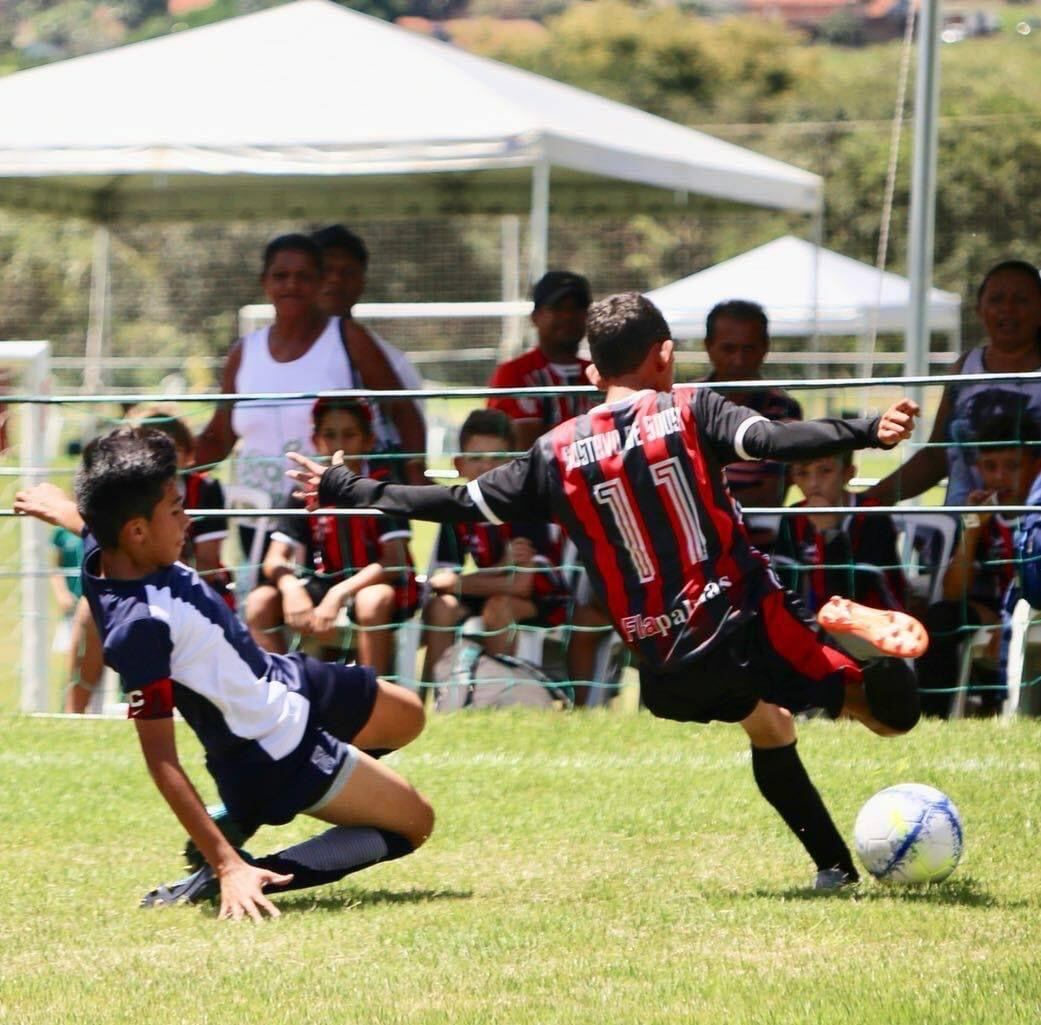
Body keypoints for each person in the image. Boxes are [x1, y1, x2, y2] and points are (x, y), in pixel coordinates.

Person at [290, 291, 928, 891]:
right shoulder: (688, 406)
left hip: (665, 663)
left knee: (768, 724)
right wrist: (866, 430)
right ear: (666, 354)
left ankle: (834, 870)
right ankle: (864, 646)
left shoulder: (556, 452)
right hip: (740, 622)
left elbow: (456, 502)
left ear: (593, 372)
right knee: (889, 717)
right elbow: (769, 441)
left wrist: (350, 490)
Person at [14, 427, 431, 921]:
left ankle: (244, 815)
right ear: (137, 531)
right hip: (274, 748)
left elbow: (87, 522)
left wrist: (57, 504)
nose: (187, 519)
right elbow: (162, 761)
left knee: (409, 716)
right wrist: (226, 862)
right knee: (416, 824)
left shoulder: (105, 549)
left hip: (283, 678)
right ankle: (246, 869)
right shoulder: (141, 628)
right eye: (175, 508)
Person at [192, 233, 427, 520]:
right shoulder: (243, 352)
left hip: (328, 520)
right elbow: (219, 438)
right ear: (264, 282)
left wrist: (416, 476)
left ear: (319, 282)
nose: (291, 284)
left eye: (303, 276)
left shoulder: (348, 339)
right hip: (254, 519)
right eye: (281, 275)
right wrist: (172, 463)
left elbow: (404, 412)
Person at [246, 398, 418, 674]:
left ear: (368, 440)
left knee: (372, 600)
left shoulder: (382, 488)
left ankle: (372, 697)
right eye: (329, 435)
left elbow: (394, 561)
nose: (339, 445)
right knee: (259, 602)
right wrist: (291, 588)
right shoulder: (304, 491)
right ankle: (281, 694)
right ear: (315, 440)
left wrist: (339, 594)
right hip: (324, 585)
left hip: (377, 589)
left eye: (349, 435)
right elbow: (274, 558)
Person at [865, 259, 1041, 507]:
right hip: (966, 532)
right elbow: (936, 457)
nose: (1007, 309)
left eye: (1021, 300)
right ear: (978, 309)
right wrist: (868, 500)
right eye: (997, 299)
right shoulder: (964, 368)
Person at [421, 409, 569, 683]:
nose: (485, 467)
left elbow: (522, 585)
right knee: (441, 607)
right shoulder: (456, 510)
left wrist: (459, 582)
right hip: (492, 592)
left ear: (514, 464)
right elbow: (440, 580)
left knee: (498, 607)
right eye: (476, 458)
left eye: (497, 458)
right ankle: (435, 697)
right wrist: (501, 567)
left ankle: (496, 696)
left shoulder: (525, 507)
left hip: (544, 600)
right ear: (459, 464)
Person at [915, 412, 1041, 717]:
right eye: (990, 466)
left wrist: (1013, 617)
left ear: (1036, 466)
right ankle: (934, 716)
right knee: (941, 616)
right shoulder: (978, 513)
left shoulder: (1036, 515)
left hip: (1034, 609)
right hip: (992, 610)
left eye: (1012, 466)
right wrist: (971, 531)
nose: (999, 477)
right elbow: (953, 592)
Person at [311, 223, 426, 474]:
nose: (335, 279)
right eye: (326, 269)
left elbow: (408, 420)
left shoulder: (391, 360)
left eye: (347, 271)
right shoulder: (268, 350)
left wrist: (415, 472)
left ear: (362, 281)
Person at [702, 299, 802, 551]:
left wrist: (698, 503)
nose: (739, 359)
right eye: (729, 348)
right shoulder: (684, 400)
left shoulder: (783, 408)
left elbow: (770, 494)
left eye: (749, 348)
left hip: (753, 543)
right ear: (708, 347)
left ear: (765, 348)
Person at [774, 452, 907, 614]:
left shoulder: (872, 516)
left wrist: (831, 534)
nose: (813, 483)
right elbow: (785, 582)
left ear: (848, 474)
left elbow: (857, 591)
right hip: (814, 621)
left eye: (825, 471)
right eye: (802, 473)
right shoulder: (792, 517)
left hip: (872, 619)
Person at [487, 270, 595, 450]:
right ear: (535, 317)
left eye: (576, 308)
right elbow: (525, 448)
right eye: (557, 308)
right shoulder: (514, 373)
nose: (568, 316)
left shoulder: (601, 373)